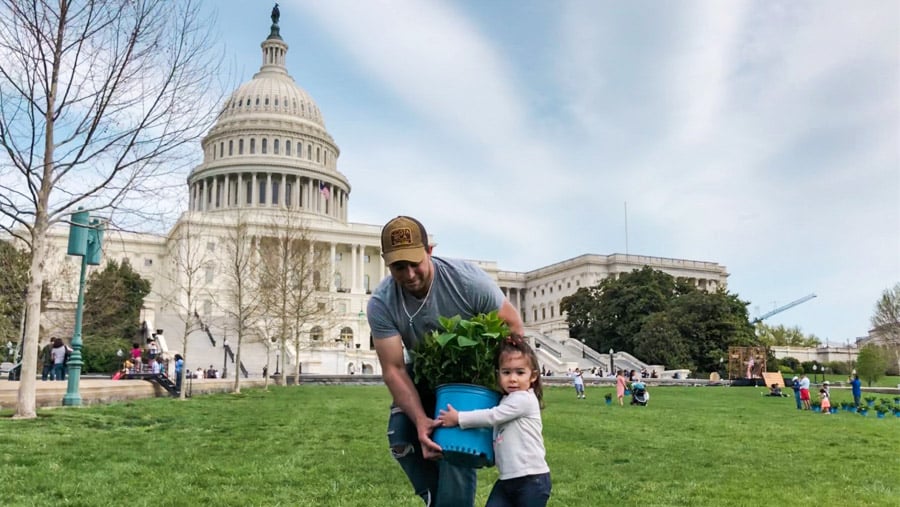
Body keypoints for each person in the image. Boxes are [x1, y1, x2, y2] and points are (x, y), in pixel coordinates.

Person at [367, 216, 525, 507]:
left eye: (416, 262)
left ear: (429, 250)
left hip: (467, 376)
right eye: (400, 267)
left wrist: (504, 387)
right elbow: (394, 369)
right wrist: (419, 420)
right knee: (401, 439)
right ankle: (434, 498)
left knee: (454, 449)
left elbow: (513, 328)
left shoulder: (467, 281)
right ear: (387, 264)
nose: (411, 274)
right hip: (422, 372)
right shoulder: (382, 302)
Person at [437, 336, 551, 507]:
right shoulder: (507, 399)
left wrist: (459, 418)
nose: (513, 379)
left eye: (520, 373)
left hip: (531, 480)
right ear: (498, 374)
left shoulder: (523, 399)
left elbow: (492, 416)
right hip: (507, 479)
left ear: (533, 376)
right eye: (506, 372)